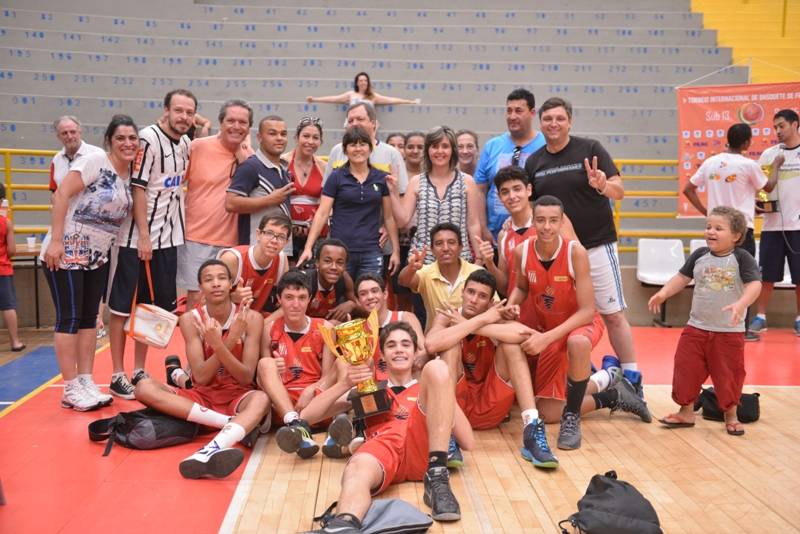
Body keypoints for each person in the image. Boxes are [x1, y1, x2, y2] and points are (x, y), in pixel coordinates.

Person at [507, 196, 651, 450]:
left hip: (580, 324)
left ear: (562, 222)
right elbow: (521, 287)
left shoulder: (576, 253)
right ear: (533, 221)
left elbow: (586, 312)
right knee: (547, 411)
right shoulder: (523, 252)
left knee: (578, 342)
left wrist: (546, 338)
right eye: (540, 220)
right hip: (550, 331)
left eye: (553, 220)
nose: (547, 227)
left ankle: (572, 419)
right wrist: (511, 303)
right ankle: (612, 390)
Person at [299, 323, 473, 531]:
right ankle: (344, 524)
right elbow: (307, 416)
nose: (399, 349)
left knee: (437, 367)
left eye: (405, 344)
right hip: (382, 451)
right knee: (356, 467)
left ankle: (437, 475)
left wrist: (444, 395)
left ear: (415, 352)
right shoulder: (368, 388)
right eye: (391, 345)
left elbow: (468, 441)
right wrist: (344, 384)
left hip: (422, 451)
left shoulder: (428, 389)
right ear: (381, 355)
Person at [526, 97, 644, 396]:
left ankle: (633, 378)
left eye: (559, 118)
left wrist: (602, 185)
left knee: (612, 314)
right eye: (548, 119)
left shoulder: (590, 149)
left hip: (596, 245)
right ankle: (582, 373)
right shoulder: (534, 162)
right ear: (541, 123)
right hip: (560, 255)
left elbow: (619, 191)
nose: (553, 124)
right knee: (566, 317)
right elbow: (532, 207)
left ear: (570, 121)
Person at [134, 259, 268, 478]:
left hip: (237, 396)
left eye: (222, 278)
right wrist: (228, 340)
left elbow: (245, 377)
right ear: (200, 287)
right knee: (143, 387)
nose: (216, 283)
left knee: (262, 399)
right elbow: (202, 377)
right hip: (201, 397)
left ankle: (209, 450)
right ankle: (229, 425)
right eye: (208, 279)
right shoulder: (190, 319)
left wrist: (219, 343)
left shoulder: (251, 318)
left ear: (231, 284)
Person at [42, 114, 138, 411]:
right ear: (109, 141)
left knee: (88, 319)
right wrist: (56, 240)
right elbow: (61, 195)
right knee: (69, 318)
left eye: (132, 138)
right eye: (120, 138)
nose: (127, 143)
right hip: (69, 247)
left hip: (98, 256)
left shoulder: (130, 175)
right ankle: (70, 387)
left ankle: (85, 381)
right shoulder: (95, 160)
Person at [106, 89, 195, 399]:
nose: (184, 116)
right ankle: (117, 373)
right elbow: (138, 187)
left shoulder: (185, 143)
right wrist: (144, 235)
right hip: (137, 240)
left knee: (149, 308)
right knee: (121, 308)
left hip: (168, 240)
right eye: (178, 110)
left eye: (189, 112)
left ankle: (139, 370)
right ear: (166, 110)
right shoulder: (148, 138)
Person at [425, 270, 559, 469]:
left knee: (511, 346)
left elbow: (525, 335)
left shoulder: (496, 318)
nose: (473, 300)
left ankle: (531, 428)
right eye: (470, 292)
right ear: (462, 292)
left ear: (490, 303)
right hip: (455, 408)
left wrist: (476, 324)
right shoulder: (447, 316)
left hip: (489, 405)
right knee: (449, 346)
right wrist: (478, 321)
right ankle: (447, 433)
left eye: (482, 296)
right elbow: (431, 344)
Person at [649, 207, 761, 436]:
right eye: (708, 227)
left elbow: (755, 285)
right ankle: (686, 412)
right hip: (696, 328)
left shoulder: (741, 258)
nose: (711, 231)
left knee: (729, 375)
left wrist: (741, 304)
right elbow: (682, 277)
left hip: (728, 332)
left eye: (718, 228)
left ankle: (731, 416)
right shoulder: (699, 255)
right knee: (685, 369)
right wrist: (663, 293)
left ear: (736, 236)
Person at [683, 122, 774, 341]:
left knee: (717, 278)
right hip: (739, 233)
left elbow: (688, 189)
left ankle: (714, 326)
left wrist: (707, 213)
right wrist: (777, 166)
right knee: (745, 280)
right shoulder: (748, 164)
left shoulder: (711, 162)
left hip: (716, 232)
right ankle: (740, 328)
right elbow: (768, 186)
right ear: (747, 143)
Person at [179, 99, 254, 310]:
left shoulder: (250, 157)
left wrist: (243, 160)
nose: (236, 126)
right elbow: (175, 183)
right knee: (196, 299)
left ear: (249, 127)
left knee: (226, 301)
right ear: (221, 122)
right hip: (196, 236)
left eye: (242, 122)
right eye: (231, 121)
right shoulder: (198, 147)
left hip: (232, 242)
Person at [298, 126, 400, 280]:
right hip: (339, 252)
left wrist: (396, 251)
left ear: (370, 149)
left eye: (362, 144)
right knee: (342, 294)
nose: (358, 149)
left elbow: (389, 217)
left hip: (371, 251)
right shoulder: (336, 177)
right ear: (345, 150)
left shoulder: (382, 178)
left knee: (369, 293)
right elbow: (322, 214)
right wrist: (308, 247)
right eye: (352, 145)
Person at [257, 271, 337, 458]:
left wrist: (312, 389)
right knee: (265, 363)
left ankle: (308, 431)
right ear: (279, 299)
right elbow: (262, 380)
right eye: (289, 297)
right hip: (282, 406)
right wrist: (275, 370)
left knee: (344, 368)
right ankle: (295, 424)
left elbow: (328, 378)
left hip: (314, 404)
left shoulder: (325, 328)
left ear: (310, 299)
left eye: (301, 298)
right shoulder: (269, 329)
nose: (295, 304)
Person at [386, 126, 483, 264]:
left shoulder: (467, 181)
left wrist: (479, 258)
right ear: (428, 150)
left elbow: (473, 224)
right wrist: (393, 192)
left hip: (458, 260)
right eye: (435, 146)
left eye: (445, 146)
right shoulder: (416, 181)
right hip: (422, 261)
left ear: (453, 150)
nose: (440, 151)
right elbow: (402, 221)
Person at [49, 116, 107, 338]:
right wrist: (57, 237)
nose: (70, 136)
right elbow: (55, 196)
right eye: (64, 133)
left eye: (73, 131)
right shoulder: (57, 160)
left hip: (92, 233)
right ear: (58, 136)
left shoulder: (96, 155)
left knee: (91, 302)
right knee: (71, 312)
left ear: (80, 131)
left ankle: (98, 322)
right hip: (69, 235)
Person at [750, 109, 800, 337]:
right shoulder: (769, 155)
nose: (778, 131)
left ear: (795, 124)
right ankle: (760, 317)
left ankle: (799, 319)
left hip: (797, 227)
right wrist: (759, 203)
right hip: (772, 226)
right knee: (767, 275)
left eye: (782, 126)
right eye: (775, 127)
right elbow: (761, 188)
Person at [474, 88, 545, 241]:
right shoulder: (492, 146)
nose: (512, 116)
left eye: (518, 111)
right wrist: (483, 228)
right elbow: (479, 191)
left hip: (535, 238)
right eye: (509, 111)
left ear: (532, 113)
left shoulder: (545, 145)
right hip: (494, 237)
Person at [398, 222, 484, 331]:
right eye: (439, 243)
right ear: (432, 250)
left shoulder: (476, 272)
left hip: (472, 336)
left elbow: (493, 307)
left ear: (461, 247)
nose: (445, 248)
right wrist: (411, 268)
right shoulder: (426, 272)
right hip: (435, 337)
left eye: (451, 242)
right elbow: (403, 281)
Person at [226, 115, 293, 248]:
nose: (279, 138)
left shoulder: (283, 169)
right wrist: (270, 200)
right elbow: (231, 203)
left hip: (280, 248)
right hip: (255, 249)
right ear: (259, 137)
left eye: (283, 134)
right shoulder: (250, 166)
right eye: (272, 133)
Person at [354, 272, 426, 374]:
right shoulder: (358, 330)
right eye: (363, 294)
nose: (370, 297)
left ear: (385, 294)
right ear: (358, 301)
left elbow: (423, 350)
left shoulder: (404, 317)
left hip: (405, 378)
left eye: (374, 291)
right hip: (375, 381)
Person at [218, 214, 290, 316]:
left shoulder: (281, 259)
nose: (274, 241)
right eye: (269, 233)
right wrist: (232, 298)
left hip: (254, 319)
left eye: (281, 237)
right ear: (258, 234)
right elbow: (208, 298)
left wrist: (264, 323)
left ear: (286, 242)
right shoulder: (233, 259)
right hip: (220, 318)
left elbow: (288, 303)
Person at [284, 117, 326, 258]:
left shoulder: (323, 167)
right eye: (306, 136)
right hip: (285, 232)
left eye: (315, 138)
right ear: (297, 137)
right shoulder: (282, 162)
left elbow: (327, 204)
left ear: (320, 141)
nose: (310, 141)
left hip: (314, 234)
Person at [300, 239, 358, 322]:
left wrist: (352, 305)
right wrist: (325, 324)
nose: (334, 267)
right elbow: (291, 316)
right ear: (317, 263)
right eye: (327, 261)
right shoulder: (303, 281)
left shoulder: (345, 279)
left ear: (345, 266)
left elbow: (364, 310)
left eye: (340, 263)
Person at [307, 72, 419, 108]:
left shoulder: (372, 96)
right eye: (360, 80)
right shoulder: (351, 94)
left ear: (368, 82)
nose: (363, 82)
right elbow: (333, 99)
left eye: (365, 80)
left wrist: (410, 101)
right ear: (357, 83)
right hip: (353, 122)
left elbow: (390, 100)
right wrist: (314, 99)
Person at [0, 184, 24, 351]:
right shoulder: (6, 223)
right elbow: (12, 250)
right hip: (3, 269)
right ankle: (15, 342)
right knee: (8, 306)